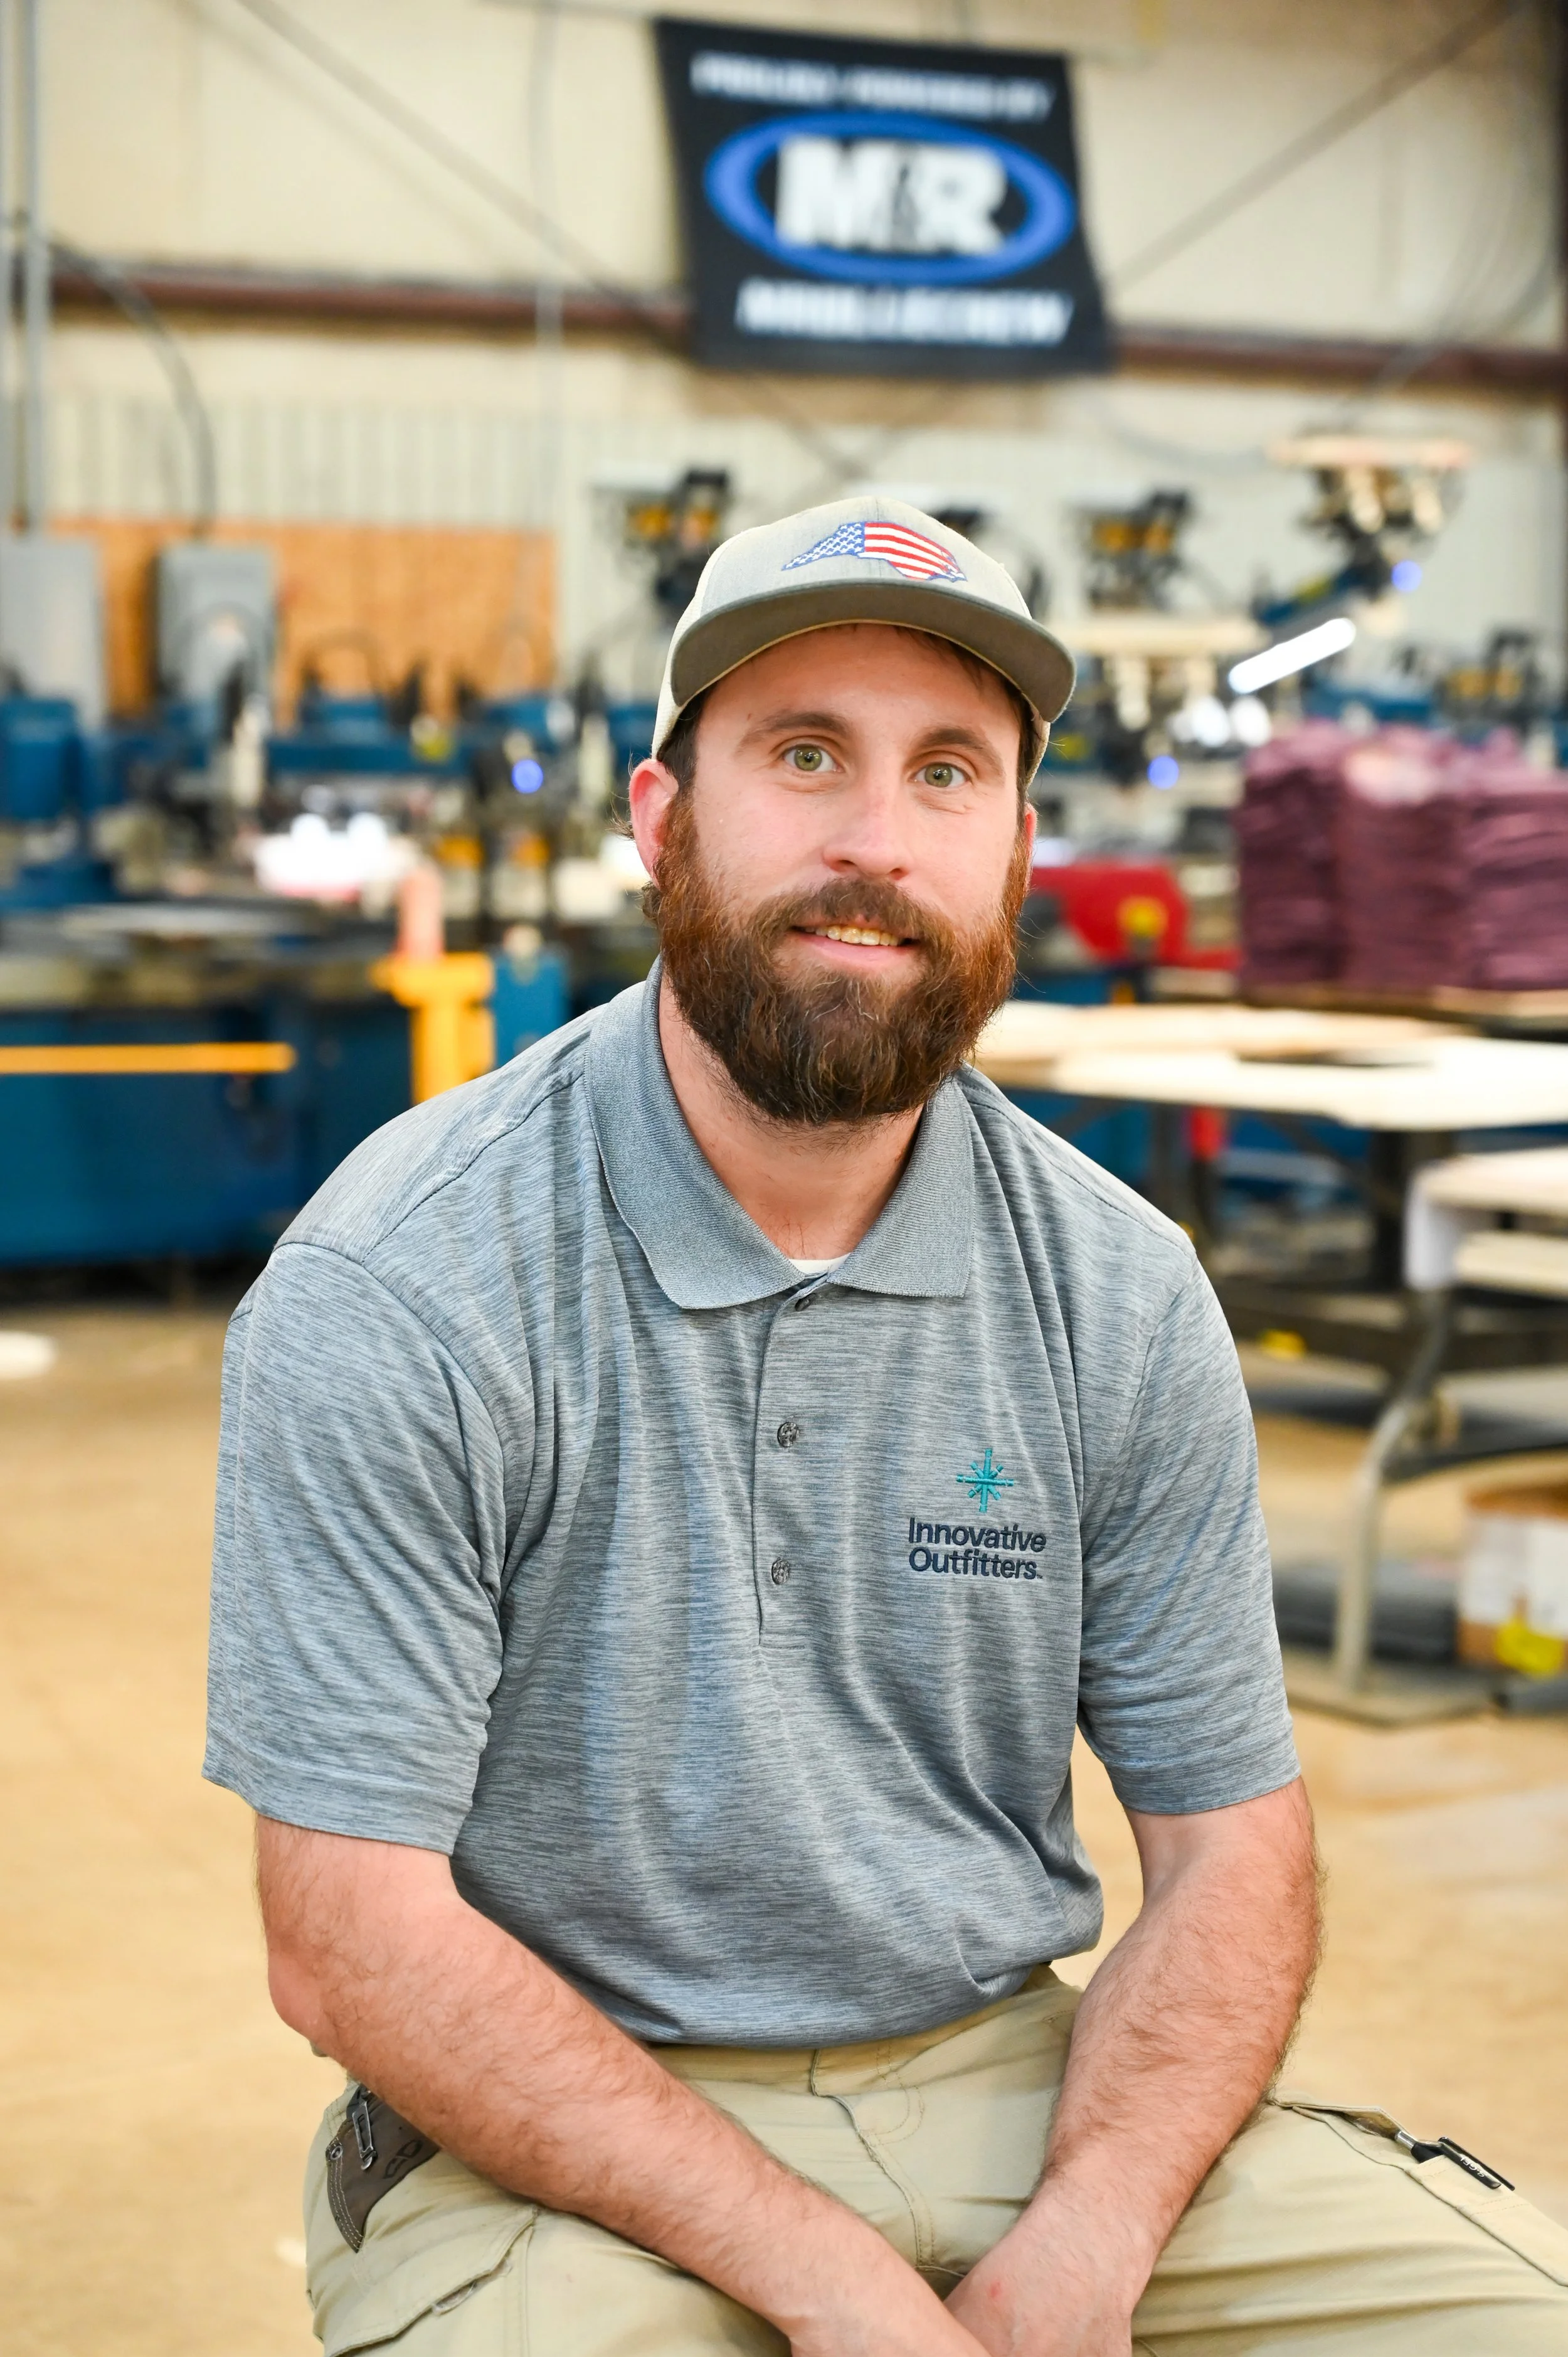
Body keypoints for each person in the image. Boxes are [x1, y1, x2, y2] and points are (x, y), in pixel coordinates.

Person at [206, 496, 1568, 2356]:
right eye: (801, 753)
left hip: (1020, 2082)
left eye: (947, 773)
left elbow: (1232, 1854)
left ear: (1016, 846)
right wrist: (843, 2286)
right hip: (561, 2131)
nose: (872, 836)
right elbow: (348, 1930)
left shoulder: (1117, 1286)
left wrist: (1090, 2233)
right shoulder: (408, 1274)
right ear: (659, 815)